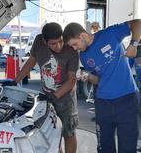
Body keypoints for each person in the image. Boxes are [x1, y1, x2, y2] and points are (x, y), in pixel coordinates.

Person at [63, 19, 141, 153]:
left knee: (127, 147)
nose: (75, 49)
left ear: (82, 36)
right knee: (104, 147)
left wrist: (133, 44)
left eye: (74, 44)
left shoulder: (109, 34)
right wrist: (88, 77)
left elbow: (137, 23)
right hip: (103, 103)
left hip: (126, 99)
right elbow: (99, 79)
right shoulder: (84, 56)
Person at [14, 22, 79, 153]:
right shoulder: (38, 41)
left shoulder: (71, 50)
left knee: (69, 132)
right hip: (47, 95)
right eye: (53, 44)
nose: (59, 46)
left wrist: (55, 96)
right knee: (52, 132)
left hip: (66, 98)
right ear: (44, 41)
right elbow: (31, 61)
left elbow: (72, 80)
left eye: (60, 41)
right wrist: (15, 81)